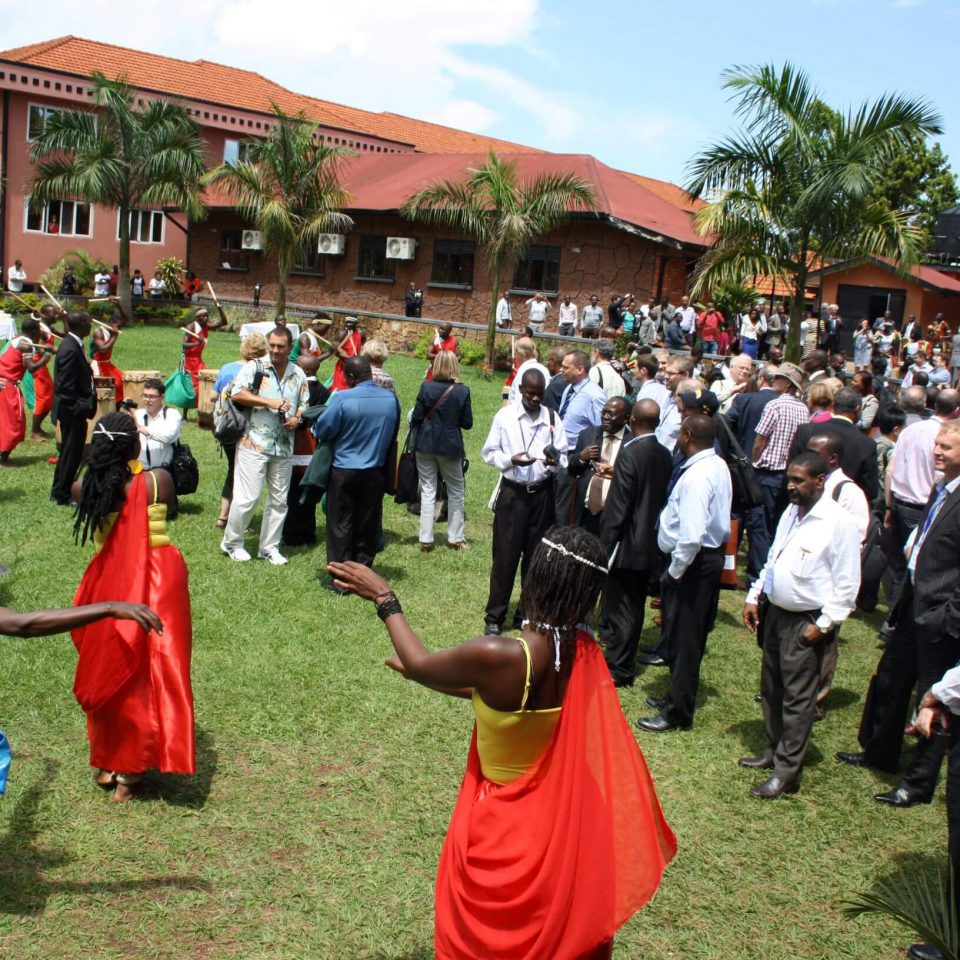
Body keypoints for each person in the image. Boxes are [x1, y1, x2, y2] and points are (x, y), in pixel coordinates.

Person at [327, 525, 676, 959]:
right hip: (564, 825)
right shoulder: (582, 651)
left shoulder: (505, 654)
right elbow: (507, 703)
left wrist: (385, 599)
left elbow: (421, 663)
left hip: (506, 827)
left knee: (489, 938)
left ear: (536, 577)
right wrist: (437, 678)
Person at [69, 413, 194, 802]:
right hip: (159, 579)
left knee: (112, 664)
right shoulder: (159, 481)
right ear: (134, 447)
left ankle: (109, 762)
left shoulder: (81, 488)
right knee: (156, 667)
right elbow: (168, 509)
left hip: (109, 583)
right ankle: (132, 772)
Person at [838, 422, 960, 810]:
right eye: (937, 445)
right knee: (890, 678)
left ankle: (918, 783)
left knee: (933, 699)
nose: (938, 452)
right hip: (912, 603)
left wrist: (949, 617)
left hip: (939, 615)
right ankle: (879, 749)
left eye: (948, 447)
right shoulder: (942, 488)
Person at [741, 452, 861, 798]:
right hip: (776, 613)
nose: (791, 486)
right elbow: (774, 558)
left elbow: (847, 584)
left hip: (806, 621)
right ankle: (774, 749)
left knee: (798, 698)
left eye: (799, 480)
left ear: (820, 480)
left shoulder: (838, 522)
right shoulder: (792, 512)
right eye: (789, 479)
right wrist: (754, 595)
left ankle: (787, 772)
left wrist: (823, 625)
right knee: (772, 688)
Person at [636, 415, 733, 733]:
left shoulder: (697, 477)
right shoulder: (716, 464)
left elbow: (691, 534)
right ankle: (674, 696)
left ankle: (677, 711)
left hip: (692, 565)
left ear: (688, 435)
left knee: (684, 638)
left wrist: (676, 571)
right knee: (683, 636)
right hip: (700, 561)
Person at [481, 368, 567, 635]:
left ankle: (526, 613)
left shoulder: (552, 417)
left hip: (541, 495)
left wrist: (555, 463)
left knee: (535, 559)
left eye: (539, 395)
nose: (535, 399)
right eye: (530, 394)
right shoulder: (505, 417)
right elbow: (489, 452)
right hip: (513, 495)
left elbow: (562, 456)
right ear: (521, 391)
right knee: (505, 559)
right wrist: (510, 460)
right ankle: (494, 617)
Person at [220, 327, 309, 565]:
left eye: (281, 346)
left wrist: (297, 418)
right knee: (247, 497)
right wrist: (268, 401)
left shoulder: (298, 373)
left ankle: (269, 547)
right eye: (273, 345)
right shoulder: (256, 367)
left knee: (279, 500)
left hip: (283, 446)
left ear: (291, 347)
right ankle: (232, 543)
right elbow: (237, 393)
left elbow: (304, 403)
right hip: (254, 443)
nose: (276, 350)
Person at [599, 399, 672, 687]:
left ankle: (620, 667)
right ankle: (621, 660)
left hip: (628, 545)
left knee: (622, 608)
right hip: (651, 542)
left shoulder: (630, 454)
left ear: (631, 420)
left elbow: (619, 508)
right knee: (635, 606)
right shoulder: (664, 453)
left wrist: (604, 546)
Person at [312, 356, 400, 588]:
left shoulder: (342, 398)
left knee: (341, 523)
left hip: (344, 469)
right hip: (376, 471)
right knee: (367, 523)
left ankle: (341, 577)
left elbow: (323, 429)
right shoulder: (391, 400)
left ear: (350, 377)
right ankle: (363, 575)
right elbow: (393, 433)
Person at [411, 351, 473, 552]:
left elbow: (417, 417)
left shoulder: (426, 387)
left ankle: (426, 539)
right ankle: (456, 537)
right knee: (456, 491)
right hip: (449, 446)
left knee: (428, 491)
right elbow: (467, 423)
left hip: (425, 444)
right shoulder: (462, 391)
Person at [211, 333, 269, 528]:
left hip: (228, 426)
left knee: (232, 469)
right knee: (242, 474)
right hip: (249, 428)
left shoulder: (227, 368)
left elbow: (212, 396)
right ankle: (236, 520)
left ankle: (223, 516)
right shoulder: (262, 371)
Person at [792, 386, 879, 502]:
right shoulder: (867, 444)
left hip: (806, 502)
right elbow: (870, 490)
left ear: (833, 406)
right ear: (858, 409)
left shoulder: (806, 431)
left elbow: (792, 470)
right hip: (842, 506)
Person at [50, 311, 96, 505]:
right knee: (71, 452)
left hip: (73, 409)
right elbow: (65, 385)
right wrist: (80, 407)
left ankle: (59, 489)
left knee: (70, 452)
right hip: (72, 411)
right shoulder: (69, 348)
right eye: (88, 322)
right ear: (80, 325)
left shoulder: (74, 343)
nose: (90, 325)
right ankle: (62, 493)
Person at [555, 351, 606, 524]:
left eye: (566, 367)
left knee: (566, 510)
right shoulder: (569, 388)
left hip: (576, 460)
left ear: (580, 369)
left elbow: (600, 429)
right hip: (560, 454)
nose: (561, 370)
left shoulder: (594, 395)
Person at [566, 397, 630, 534]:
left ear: (626, 419)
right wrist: (581, 458)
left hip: (613, 514)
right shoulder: (588, 434)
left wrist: (615, 472)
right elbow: (571, 469)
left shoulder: (632, 442)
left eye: (611, 414)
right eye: (603, 413)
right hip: (585, 512)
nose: (605, 417)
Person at [0, 319, 51, 465]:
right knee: (14, 422)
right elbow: (32, 368)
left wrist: (46, 349)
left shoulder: (18, 339)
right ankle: (3, 457)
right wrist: (46, 356)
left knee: (5, 420)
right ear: (35, 331)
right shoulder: (26, 345)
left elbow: (38, 349)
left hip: (3, 383)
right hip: (7, 386)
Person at [179, 304, 227, 402]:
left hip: (198, 359)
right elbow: (184, 345)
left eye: (206, 316)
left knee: (205, 381)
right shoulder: (191, 326)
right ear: (197, 318)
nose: (205, 318)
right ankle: (185, 413)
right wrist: (197, 343)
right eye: (203, 316)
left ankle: (202, 409)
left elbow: (224, 322)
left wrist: (219, 308)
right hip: (189, 360)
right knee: (191, 386)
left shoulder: (206, 326)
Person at [134, 378, 182, 473]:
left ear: (162, 397)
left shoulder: (172, 415)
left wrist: (146, 431)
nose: (147, 400)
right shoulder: (138, 415)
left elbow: (169, 437)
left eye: (152, 396)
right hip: (141, 472)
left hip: (165, 472)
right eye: (145, 396)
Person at [89, 299, 128, 405]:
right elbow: (103, 349)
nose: (120, 328)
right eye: (118, 326)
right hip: (98, 365)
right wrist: (114, 335)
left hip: (107, 363)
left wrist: (118, 304)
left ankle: (116, 407)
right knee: (108, 386)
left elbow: (126, 319)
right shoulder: (99, 332)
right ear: (111, 323)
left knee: (122, 381)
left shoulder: (113, 329)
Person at [331, 317, 365, 392]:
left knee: (353, 386)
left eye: (350, 322)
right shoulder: (343, 333)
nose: (348, 324)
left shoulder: (361, 333)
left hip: (356, 364)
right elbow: (335, 350)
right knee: (340, 387)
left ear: (356, 324)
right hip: (343, 364)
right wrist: (347, 357)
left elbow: (362, 345)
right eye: (347, 322)